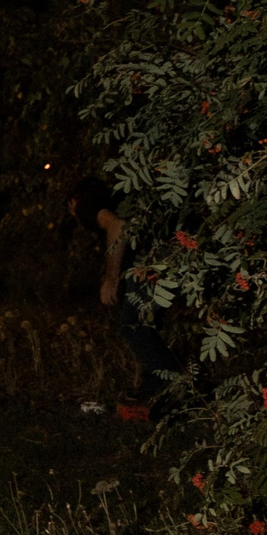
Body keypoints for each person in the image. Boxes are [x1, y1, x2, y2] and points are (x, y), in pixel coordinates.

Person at [68, 175, 169, 414]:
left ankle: (174, 383)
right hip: (171, 250)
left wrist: (111, 279)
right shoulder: (117, 196)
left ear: (73, 200)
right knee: (145, 325)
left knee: (132, 326)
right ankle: (154, 386)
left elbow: (117, 225)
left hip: (154, 259)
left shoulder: (84, 204)